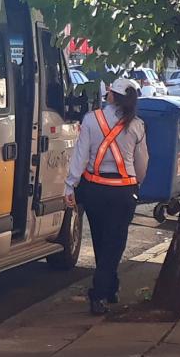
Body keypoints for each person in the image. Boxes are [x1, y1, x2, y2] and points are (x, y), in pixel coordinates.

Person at [65, 78, 149, 315]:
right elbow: (142, 162)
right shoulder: (137, 125)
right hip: (123, 192)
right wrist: (137, 183)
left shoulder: (92, 119)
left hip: (95, 189)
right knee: (115, 242)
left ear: (111, 96)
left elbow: (80, 156)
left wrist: (70, 185)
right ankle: (102, 291)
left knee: (101, 239)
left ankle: (106, 289)